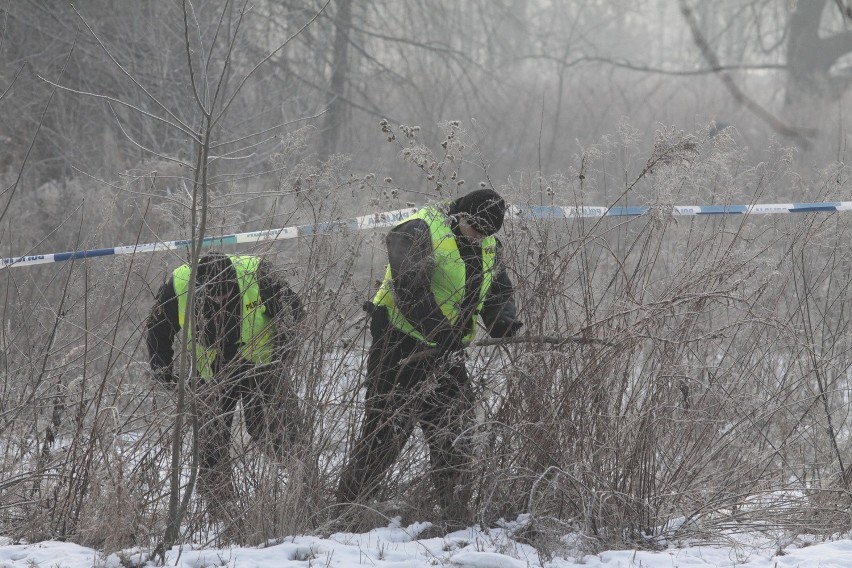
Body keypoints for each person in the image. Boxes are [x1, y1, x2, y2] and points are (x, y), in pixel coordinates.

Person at [337, 188, 522, 525]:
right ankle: (343, 518)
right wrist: (440, 331)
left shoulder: (489, 244)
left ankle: (455, 520)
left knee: (457, 432)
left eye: (487, 233)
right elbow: (409, 288)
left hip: (446, 353)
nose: (479, 238)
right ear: (460, 216)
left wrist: (503, 320)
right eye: (475, 229)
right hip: (399, 348)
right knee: (384, 437)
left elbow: (497, 289)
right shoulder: (417, 230)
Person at [145, 252, 304, 512]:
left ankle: (302, 485)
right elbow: (156, 329)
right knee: (212, 441)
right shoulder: (179, 284)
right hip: (210, 371)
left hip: (262, 365)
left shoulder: (259, 274)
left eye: (226, 295)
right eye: (213, 296)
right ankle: (219, 508)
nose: (220, 300)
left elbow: (295, 315)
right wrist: (165, 374)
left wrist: (282, 358)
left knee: (273, 429)